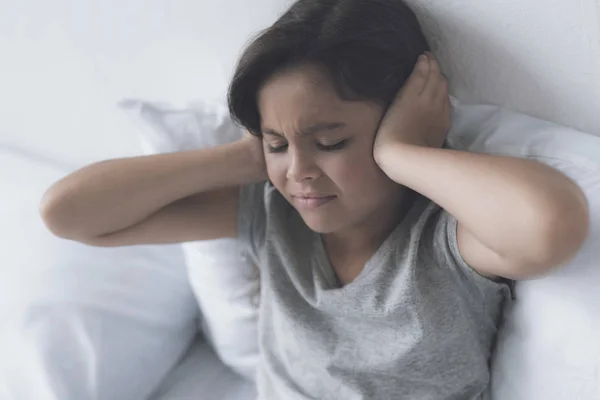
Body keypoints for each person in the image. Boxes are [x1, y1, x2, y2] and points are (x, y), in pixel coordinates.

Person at [40, 0, 589, 398]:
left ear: (398, 117)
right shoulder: (273, 214)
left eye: (331, 142)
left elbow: (549, 225)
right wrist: (247, 158)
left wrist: (401, 153)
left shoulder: (445, 239)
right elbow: (68, 214)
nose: (300, 172)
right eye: (278, 142)